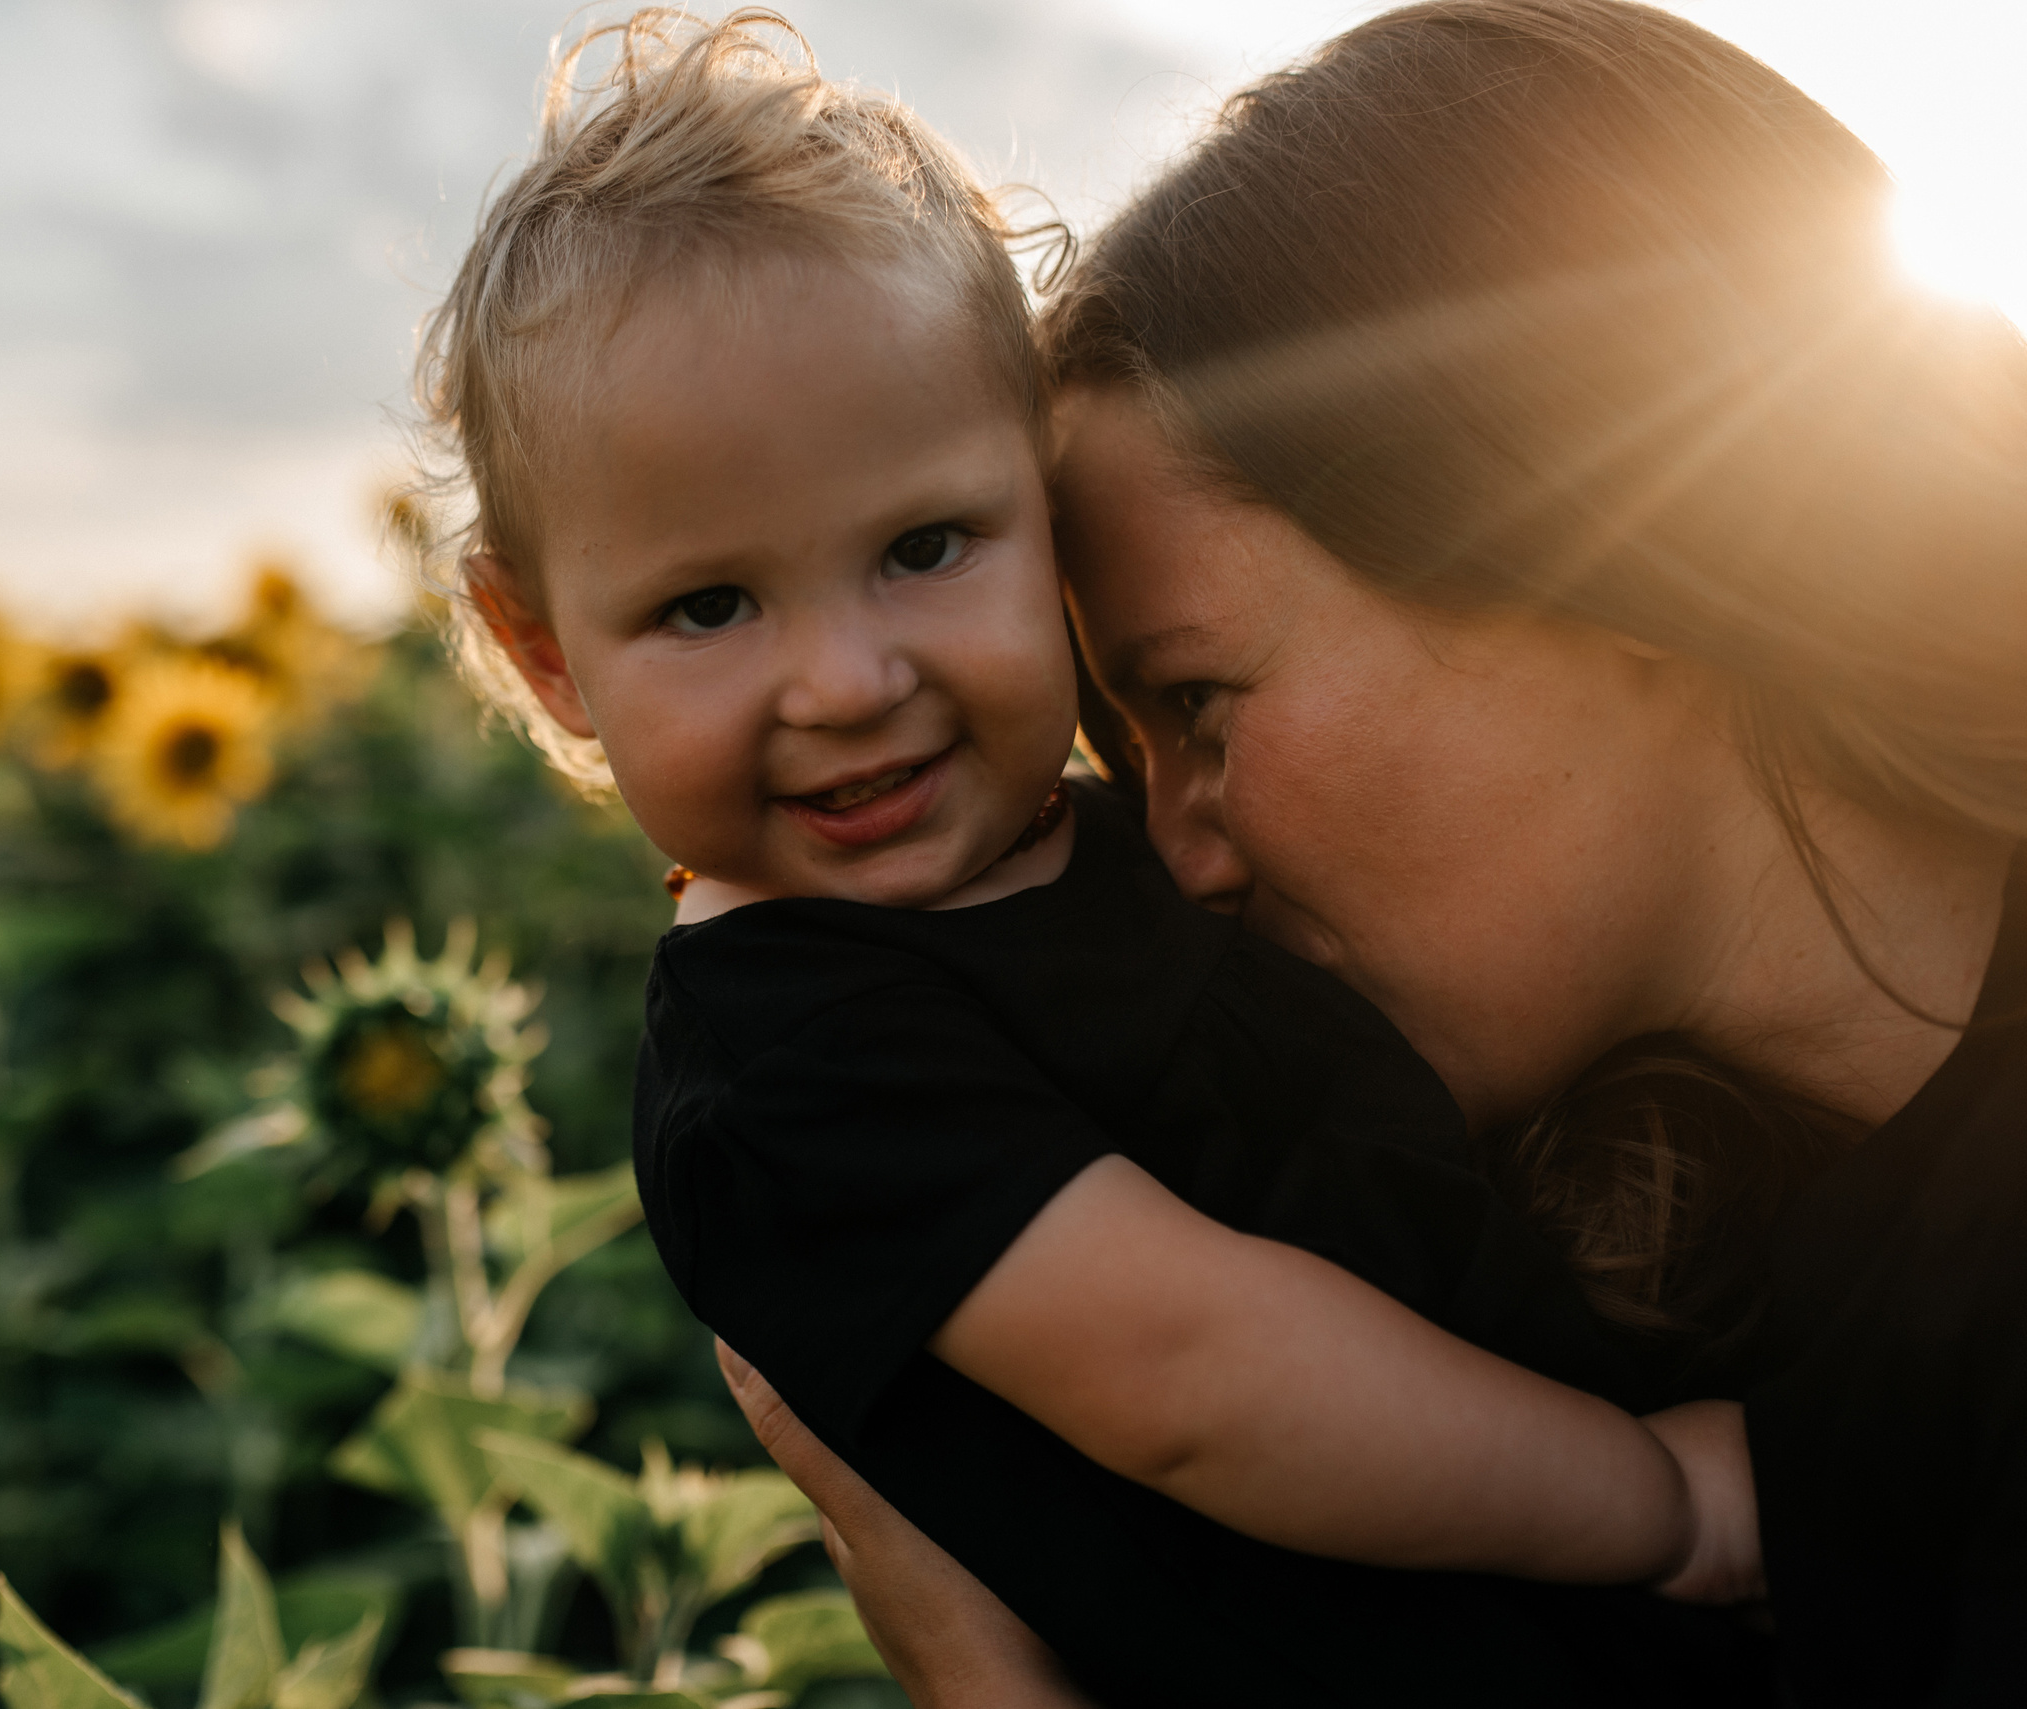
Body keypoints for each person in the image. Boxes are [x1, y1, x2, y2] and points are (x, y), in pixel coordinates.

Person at [413, 9, 1778, 1703]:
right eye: (709, 604)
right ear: (544, 650)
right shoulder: (793, 1060)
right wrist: (1653, 1506)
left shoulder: (1110, 850)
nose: (848, 681)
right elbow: (1197, 1375)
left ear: (1045, 512)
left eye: (923, 546)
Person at [726, 2, 2027, 1704]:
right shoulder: (1503, 1310)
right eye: (1124, 751)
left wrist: (970, 1647)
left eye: (1198, 703)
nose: (1183, 852)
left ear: (1586, 542)